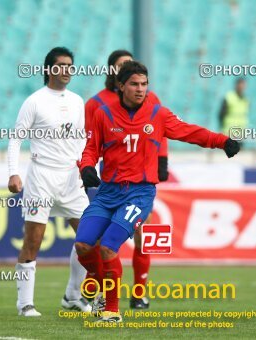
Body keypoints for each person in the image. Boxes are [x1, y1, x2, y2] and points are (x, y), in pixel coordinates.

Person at [75, 61, 240, 322]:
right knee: (83, 245)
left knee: (108, 247)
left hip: (139, 194)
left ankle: (111, 310)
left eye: (144, 84)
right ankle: (98, 278)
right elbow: (91, 148)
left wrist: (222, 141)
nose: (140, 89)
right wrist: (86, 167)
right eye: (134, 84)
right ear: (121, 86)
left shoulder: (158, 114)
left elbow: (190, 132)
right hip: (107, 192)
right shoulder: (103, 113)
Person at [81, 50, 167, 310]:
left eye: (131, 65)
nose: (129, 70)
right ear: (113, 74)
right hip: (109, 182)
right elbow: (88, 142)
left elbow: (162, 131)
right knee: (95, 242)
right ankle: (99, 285)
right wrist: (86, 167)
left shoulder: (149, 99)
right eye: (123, 67)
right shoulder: (97, 104)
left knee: (144, 234)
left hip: (140, 181)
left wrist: (162, 160)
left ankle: (140, 291)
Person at [8, 47, 90, 316]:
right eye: (61, 65)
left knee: (89, 237)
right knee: (34, 239)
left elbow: (81, 139)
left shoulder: (78, 101)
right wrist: (13, 172)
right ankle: (25, 304)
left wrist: (86, 168)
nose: (67, 70)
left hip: (71, 177)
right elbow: (16, 137)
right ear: (49, 69)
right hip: (42, 176)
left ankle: (72, 296)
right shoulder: (35, 101)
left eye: (70, 65)